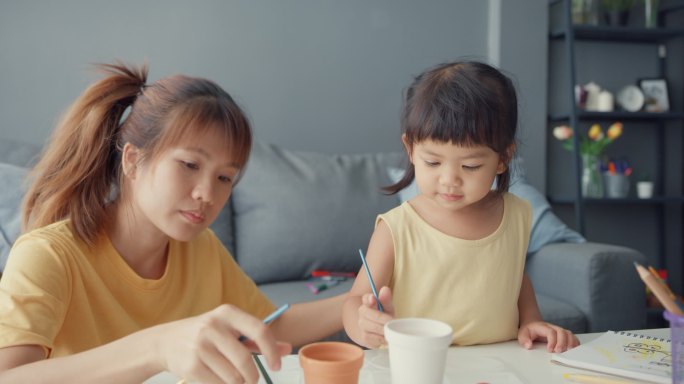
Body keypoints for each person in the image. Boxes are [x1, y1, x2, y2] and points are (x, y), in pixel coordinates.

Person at [0, 62, 344, 383]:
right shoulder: (47, 255)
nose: (207, 194)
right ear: (133, 161)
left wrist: (351, 305)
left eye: (225, 178)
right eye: (190, 165)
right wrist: (157, 347)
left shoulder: (201, 247)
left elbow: (266, 325)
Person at [342, 60, 580, 352]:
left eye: (470, 165)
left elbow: (515, 277)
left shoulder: (517, 213)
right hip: (418, 364)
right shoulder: (396, 227)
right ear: (411, 150)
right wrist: (363, 326)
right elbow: (355, 301)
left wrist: (531, 320)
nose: (449, 179)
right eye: (433, 162)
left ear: (503, 158)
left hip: (498, 363)